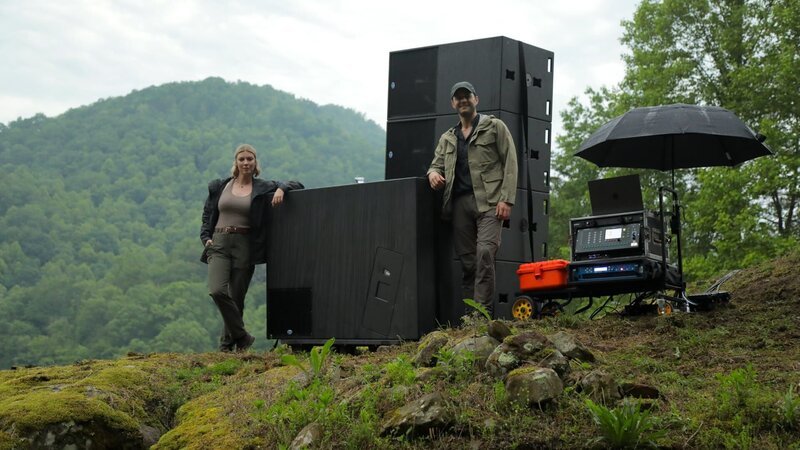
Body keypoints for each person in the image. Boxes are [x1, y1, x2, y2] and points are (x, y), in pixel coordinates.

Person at [200, 144, 303, 352]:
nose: (246, 162)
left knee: (237, 296)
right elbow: (207, 213)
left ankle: (226, 346)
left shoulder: (263, 187)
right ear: (235, 163)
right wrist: (205, 237)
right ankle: (242, 337)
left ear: (255, 163)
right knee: (217, 290)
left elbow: (297, 185)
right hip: (219, 242)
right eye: (242, 159)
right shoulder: (220, 186)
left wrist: (282, 189)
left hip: (245, 244)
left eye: (250, 159)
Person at [427, 81, 518, 317]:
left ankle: (482, 315)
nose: (463, 100)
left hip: (489, 202)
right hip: (459, 205)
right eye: (458, 97)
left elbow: (511, 161)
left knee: (485, 254)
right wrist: (434, 174)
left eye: (467, 96)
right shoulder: (448, 138)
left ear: (476, 99)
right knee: (468, 263)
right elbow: (435, 166)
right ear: (453, 103)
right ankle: (471, 317)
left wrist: (506, 199)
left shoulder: (494, 127)